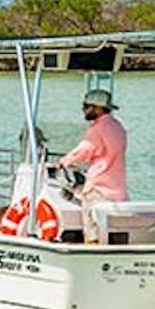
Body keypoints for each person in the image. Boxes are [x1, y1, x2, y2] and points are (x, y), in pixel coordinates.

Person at [55, 88, 128, 243]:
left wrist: (64, 161)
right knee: (110, 231)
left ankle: (91, 256)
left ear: (98, 108)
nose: (83, 110)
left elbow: (84, 151)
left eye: (86, 106)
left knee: (92, 232)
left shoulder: (97, 130)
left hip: (98, 189)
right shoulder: (118, 127)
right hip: (118, 190)